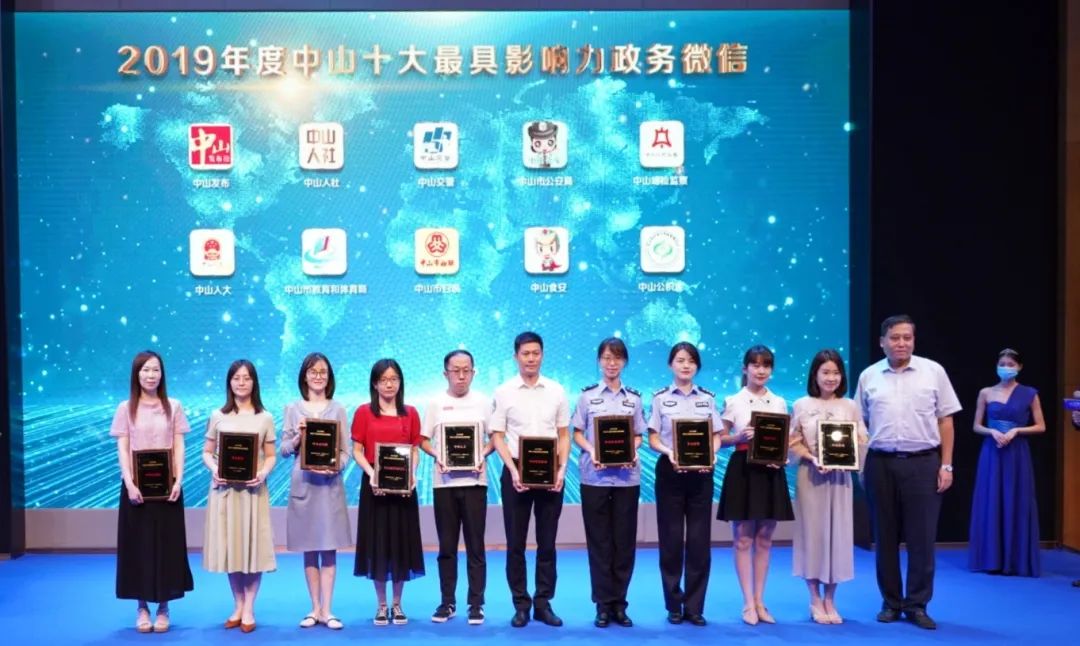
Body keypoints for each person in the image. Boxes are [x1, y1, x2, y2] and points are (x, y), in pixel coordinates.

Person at [854, 315, 961, 630]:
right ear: (882, 342)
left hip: (923, 463)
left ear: (913, 340)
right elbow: (859, 424)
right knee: (884, 537)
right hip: (880, 463)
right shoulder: (869, 376)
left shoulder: (933, 371)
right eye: (895, 338)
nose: (901, 343)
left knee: (922, 539)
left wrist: (946, 464)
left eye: (907, 338)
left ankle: (917, 604)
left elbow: (946, 421)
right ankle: (891, 602)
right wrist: (861, 464)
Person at [490, 331, 571, 628]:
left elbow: (563, 434)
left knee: (547, 542)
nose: (531, 358)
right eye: (525, 353)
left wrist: (561, 469)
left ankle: (543, 603)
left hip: (550, 472)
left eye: (536, 353)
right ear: (516, 357)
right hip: (516, 471)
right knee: (516, 543)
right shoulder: (504, 392)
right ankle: (521, 604)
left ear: (543, 355)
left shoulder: (557, 391)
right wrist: (513, 470)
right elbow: (497, 436)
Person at [111, 350, 194, 633]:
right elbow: (123, 448)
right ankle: (142, 607)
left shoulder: (174, 405)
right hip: (136, 490)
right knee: (139, 548)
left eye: (155, 369)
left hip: (168, 489)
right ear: (137, 374)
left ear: (162, 374)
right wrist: (129, 483)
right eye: (145, 370)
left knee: (167, 548)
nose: (150, 375)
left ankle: (164, 607)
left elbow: (179, 445)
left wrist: (178, 480)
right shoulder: (125, 408)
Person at [788, 349, 868, 624]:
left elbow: (861, 439)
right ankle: (814, 598)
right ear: (815, 375)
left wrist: (847, 460)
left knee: (838, 536)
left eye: (836, 372)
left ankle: (831, 599)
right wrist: (812, 458)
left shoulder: (850, 406)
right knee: (812, 536)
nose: (831, 378)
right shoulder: (801, 405)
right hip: (811, 476)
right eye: (825, 372)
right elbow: (793, 442)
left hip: (839, 480)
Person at [572, 338, 647, 628]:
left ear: (624, 362)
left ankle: (620, 604)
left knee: (624, 543)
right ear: (599, 361)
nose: (611, 363)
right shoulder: (587, 397)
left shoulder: (635, 398)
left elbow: (638, 435)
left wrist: (632, 450)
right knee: (599, 542)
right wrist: (593, 450)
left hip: (627, 479)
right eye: (606, 357)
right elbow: (577, 433)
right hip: (595, 477)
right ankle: (603, 605)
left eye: (617, 358)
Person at [717, 344, 794, 625]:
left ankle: (761, 601)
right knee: (743, 538)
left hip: (771, 472)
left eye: (766, 365)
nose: (761, 370)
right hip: (743, 470)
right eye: (756, 365)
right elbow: (720, 439)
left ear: (771, 370)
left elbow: (784, 441)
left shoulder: (779, 402)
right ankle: (747, 603)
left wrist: (782, 457)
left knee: (764, 538)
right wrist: (738, 437)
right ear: (745, 368)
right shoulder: (733, 400)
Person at [647, 341, 722, 627]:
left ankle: (695, 606)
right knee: (671, 540)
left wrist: (712, 453)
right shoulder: (660, 398)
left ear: (697, 366)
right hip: (670, 472)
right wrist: (669, 452)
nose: (685, 365)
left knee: (700, 542)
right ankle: (674, 605)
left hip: (701, 474)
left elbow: (716, 435)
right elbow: (653, 438)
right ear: (671, 365)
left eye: (691, 360)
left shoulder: (707, 399)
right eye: (680, 360)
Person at [202, 359, 278, 633]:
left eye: (246, 378)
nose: (241, 382)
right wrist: (214, 470)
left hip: (253, 492)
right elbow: (207, 452)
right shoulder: (218, 415)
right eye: (236, 378)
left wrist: (263, 473)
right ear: (229, 382)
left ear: (254, 382)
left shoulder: (265, 417)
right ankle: (237, 604)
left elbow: (271, 456)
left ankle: (249, 608)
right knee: (231, 549)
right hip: (224, 492)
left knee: (253, 549)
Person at [280, 352, 353, 629]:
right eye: (313, 372)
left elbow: (345, 451)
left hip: (329, 486)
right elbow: (284, 449)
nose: (318, 377)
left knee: (329, 548)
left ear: (329, 377)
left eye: (323, 372)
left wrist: (336, 468)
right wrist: (298, 438)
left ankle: (328, 610)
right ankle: (314, 608)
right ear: (304, 376)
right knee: (309, 548)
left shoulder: (338, 409)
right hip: (304, 484)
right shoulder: (292, 409)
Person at [420, 349, 492, 626]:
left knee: (476, 546)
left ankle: (476, 604)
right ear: (445, 373)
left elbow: (494, 438)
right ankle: (447, 602)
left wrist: (481, 454)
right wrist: (438, 455)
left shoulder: (484, 402)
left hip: (475, 482)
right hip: (445, 484)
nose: (461, 376)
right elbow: (423, 439)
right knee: (447, 546)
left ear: (473, 372)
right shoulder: (435, 403)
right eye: (455, 371)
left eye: (466, 370)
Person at [351, 358, 424, 626]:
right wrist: (372, 475)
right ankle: (381, 605)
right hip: (374, 487)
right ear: (375, 384)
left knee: (401, 544)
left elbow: (414, 451)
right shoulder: (363, 412)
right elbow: (357, 451)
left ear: (400, 382)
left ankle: (398, 604)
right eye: (384, 380)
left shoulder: (411, 413)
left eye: (394, 379)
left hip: (403, 489)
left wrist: (412, 474)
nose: (389, 384)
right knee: (378, 544)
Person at [968, 348, 1045, 577]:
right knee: (991, 499)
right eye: (1002, 363)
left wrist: (1017, 431)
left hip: (1017, 452)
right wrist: (991, 431)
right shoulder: (985, 392)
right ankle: (991, 559)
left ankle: (1014, 559)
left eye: (1010, 364)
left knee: (1015, 498)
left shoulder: (1029, 393)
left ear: (1019, 367)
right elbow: (976, 426)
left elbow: (1041, 426)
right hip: (992, 451)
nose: (1006, 368)